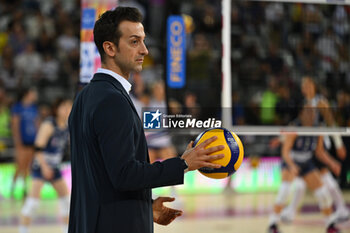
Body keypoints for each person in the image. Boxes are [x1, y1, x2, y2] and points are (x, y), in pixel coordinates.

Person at [68, 7, 224, 233]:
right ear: (110, 48)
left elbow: (100, 177)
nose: (145, 50)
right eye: (134, 42)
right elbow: (124, 174)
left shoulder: (85, 97)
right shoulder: (113, 100)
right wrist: (183, 164)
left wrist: (144, 207)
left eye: (143, 41)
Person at [280, 77, 349, 222]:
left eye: (308, 85)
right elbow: (297, 125)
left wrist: (339, 144)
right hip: (307, 145)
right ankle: (291, 212)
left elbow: (331, 123)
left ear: (314, 86)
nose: (306, 88)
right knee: (306, 180)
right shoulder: (305, 103)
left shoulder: (321, 102)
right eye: (304, 85)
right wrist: (281, 138)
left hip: (319, 144)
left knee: (322, 177)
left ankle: (341, 209)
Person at [268, 106, 341, 233]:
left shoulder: (318, 128)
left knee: (323, 193)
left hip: (306, 162)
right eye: (307, 112)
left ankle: (330, 225)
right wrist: (291, 165)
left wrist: (332, 163)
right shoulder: (294, 128)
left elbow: (319, 151)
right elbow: (285, 151)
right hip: (291, 159)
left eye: (313, 113)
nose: (310, 116)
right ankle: (272, 224)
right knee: (285, 190)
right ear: (301, 114)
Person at [19, 98, 72, 233]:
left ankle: (66, 229)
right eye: (64, 106)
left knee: (67, 201)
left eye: (69, 106)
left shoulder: (67, 126)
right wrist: (44, 167)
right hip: (40, 167)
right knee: (32, 203)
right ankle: (23, 230)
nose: (67, 109)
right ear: (57, 109)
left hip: (55, 167)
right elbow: (38, 148)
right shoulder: (49, 124)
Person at [11, 87, 39, 197]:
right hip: (22, 142)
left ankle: (25, 189)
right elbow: (15, 125)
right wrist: (17, 141)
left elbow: (36, 124)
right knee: (20, 166)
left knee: (28, 166)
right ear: (27, 94)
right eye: (33, 93)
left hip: (32, 141)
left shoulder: (33, 108)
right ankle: (12, 189)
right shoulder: (17, 107)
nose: (35, 95)